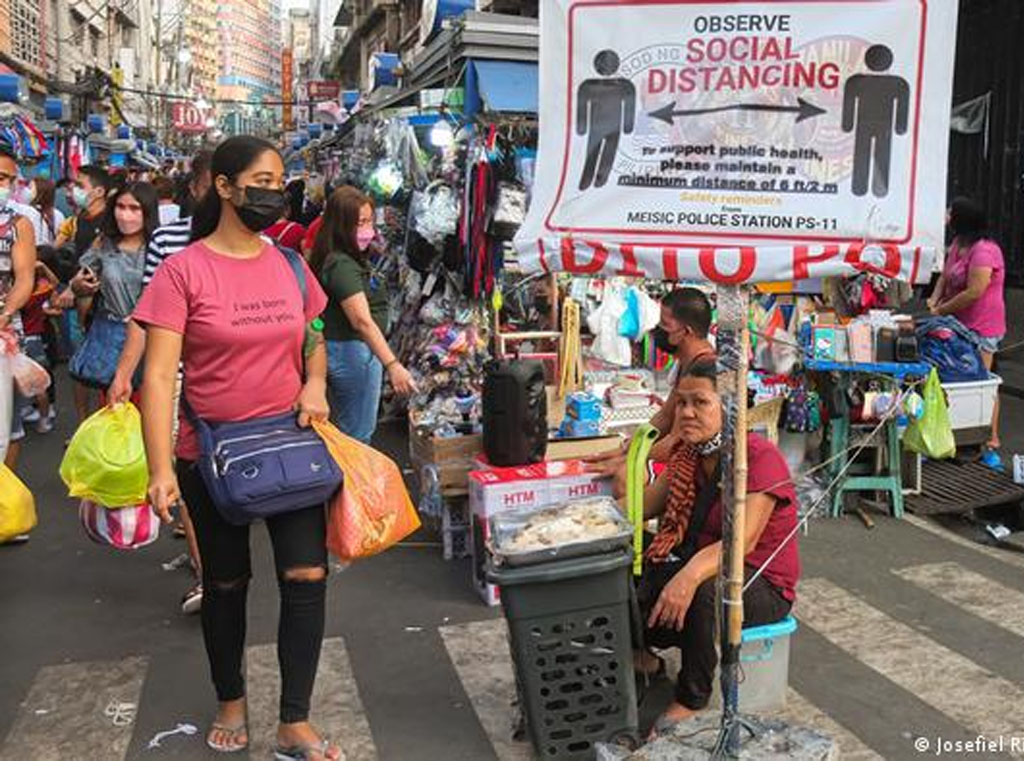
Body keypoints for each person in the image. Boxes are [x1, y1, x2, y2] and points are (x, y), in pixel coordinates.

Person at [136, 135, 340, 759]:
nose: (273, 192)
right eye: (260, 180)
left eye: (279, 180)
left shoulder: (290, 264)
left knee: (306, 575)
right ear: (224, 187)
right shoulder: (182, 271)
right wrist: (162, 467)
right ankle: (231, 700)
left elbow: (315, 336)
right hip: (213, 455)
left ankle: (294, 719)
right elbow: (158, 376)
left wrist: (315, 383)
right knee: (226, 584)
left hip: (291, 443)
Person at [635, 359, 800, 733]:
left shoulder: (758, 458)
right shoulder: (688, 455)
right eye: (681, 403)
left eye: (700, 403)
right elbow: (643, 507)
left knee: (709, 589)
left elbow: (741, 543)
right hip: (705, 561)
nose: (687, 412)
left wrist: (688, 576)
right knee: (631, 556)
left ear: (728, 406)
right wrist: (623, 466)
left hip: (761, 581)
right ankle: (645, 657)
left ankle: (693, 697)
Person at [108, 148, 213, 616]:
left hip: (237, 384)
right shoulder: (169, 239)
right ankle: (206, 571)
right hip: (178, 377)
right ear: (196, 188)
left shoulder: (263, 245)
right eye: (217, 184)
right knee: (188, 471)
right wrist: (124, 373)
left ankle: (222, 566)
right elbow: (146, 316)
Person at [309, 186, 416, 443]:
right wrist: (393, 364)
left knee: (351, 428)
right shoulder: (341, 264)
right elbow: (361, 321)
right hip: (352, 352)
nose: (369, 229)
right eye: (361, 223)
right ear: (342, 225)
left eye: (370, 221)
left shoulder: (343, 258)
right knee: (357, 434)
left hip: (350, 351)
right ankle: (356, 482)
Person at [587, 287, 716, 496]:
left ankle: (635, 527)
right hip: (679, 449)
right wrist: (627, 447)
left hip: (697, 458)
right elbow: (664, 416)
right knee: (617, 460)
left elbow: (676, 441)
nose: (658, 330)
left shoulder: (705, 369)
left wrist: (631, 456)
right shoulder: (687, 362)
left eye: (665, 325)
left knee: (624, 478)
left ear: (686, 332)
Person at [929, 197, 1007, 470]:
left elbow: (975, 291)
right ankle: (954, 440)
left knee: (981, 384)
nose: (947, 217)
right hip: (955, 323)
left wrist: (941, 311)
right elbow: (944, 277)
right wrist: (934, 300)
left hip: (981, 327)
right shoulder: (958, 244)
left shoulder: (985, 251)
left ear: (963, 218)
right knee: (952, 381)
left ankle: (990, 443)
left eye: (951, 213)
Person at [69, 182, 158, 404]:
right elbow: (80, 281)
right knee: (114, 409)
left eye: (134, 208)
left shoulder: (160, 246)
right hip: (110, 338)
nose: (126, 215)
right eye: (121, 206)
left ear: (147, 211)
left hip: (152, 341)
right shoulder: (104, 243)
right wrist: (79, 286)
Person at [0, 148, 38, 475]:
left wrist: (5, 312)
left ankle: (4, 506)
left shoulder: (18, 224)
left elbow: (25, 278)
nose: (5, 185)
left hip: (5, 336)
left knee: (7, 425)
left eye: (9, 179)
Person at [31, 178, 66, 247]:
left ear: (40, 192)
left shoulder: (31, 213)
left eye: (30, 187)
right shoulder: (59, 214)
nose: (27, 190)